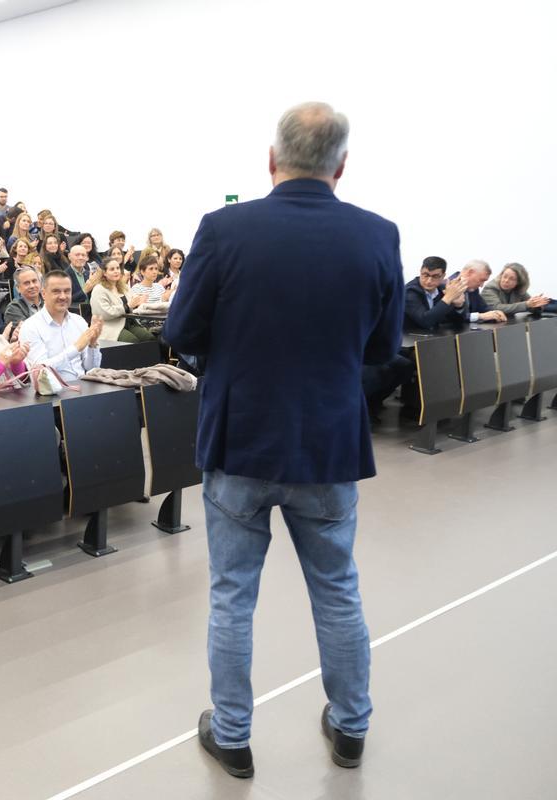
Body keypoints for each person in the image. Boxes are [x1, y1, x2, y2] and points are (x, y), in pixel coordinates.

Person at [163, 102, 404, 779]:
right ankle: (352, 726)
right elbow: (384, 349)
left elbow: (182, 331)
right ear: (342, 166)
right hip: (328, 445)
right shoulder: (377, 235)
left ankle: (233, 735)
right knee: (337, 589)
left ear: (272, 161)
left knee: (231, 594)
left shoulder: (225, 228)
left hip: (241, 442)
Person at [19, 271, 102, 383]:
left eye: (67, 291)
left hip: (85, 387)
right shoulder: (30, 327)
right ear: (43, 294)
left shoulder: (79, 321)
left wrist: (93, 344)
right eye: (56, 291)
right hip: (55, 394)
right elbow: (41, 371)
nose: (63, 296)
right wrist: (76, 348)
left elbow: (91, 368)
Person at [90, 258, 156, 343]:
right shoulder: (99, 289)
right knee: (132, 341)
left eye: (118, 268)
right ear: (104, 273)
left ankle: (149, 357)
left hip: (129, 323)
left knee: (149, 338)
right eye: (112, 269)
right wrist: (127, 306)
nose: (116, 271)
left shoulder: (124, 286)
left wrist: (138, 302)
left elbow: (132, 302)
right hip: (110, 326)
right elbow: (104, 313)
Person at [403, 257, 474, 331]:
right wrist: (448, 298)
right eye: (425, 275)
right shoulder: (409, 291)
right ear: (420, 272)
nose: (429, 281)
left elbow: (458, 321)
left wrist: (458, 306)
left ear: (443, 276)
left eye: (435, 276)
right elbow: (425, 321)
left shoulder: (442, 289)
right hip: (408, 339)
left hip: (433, 337)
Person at [481, 262, 553, 315]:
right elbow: (497, 308)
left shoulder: (518, 289)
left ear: (518, 282)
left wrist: (536, 305)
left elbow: (531, 306)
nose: (506, 281)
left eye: (512, 279)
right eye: (505, 276)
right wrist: (527, 304)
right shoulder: (490, 288)